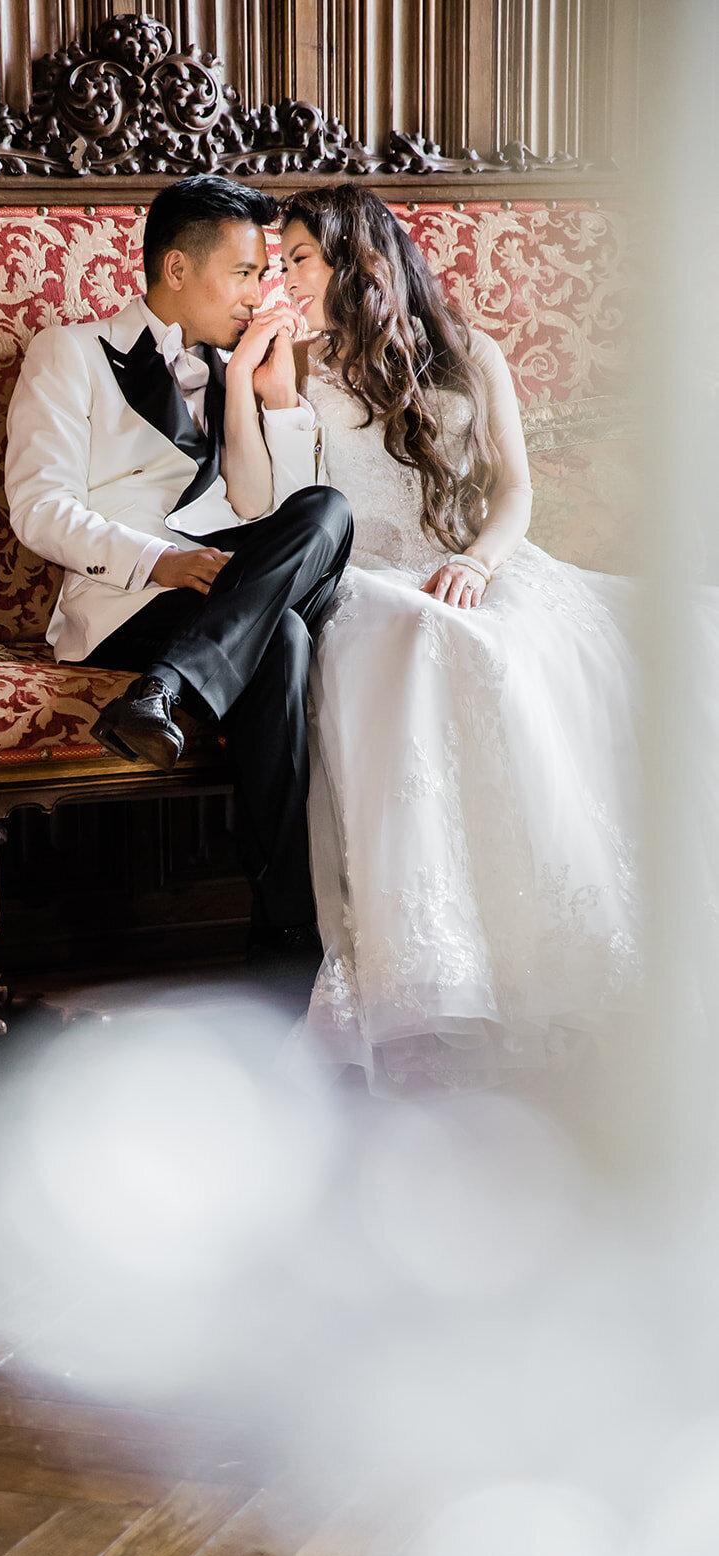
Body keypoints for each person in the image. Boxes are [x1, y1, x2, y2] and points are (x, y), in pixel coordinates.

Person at [231, 180, 680, 1091]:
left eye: (299, 260)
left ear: (359, 261)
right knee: (436, 639)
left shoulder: (470, 353)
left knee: (614, 638)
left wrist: (477, 562)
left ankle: (556, 957)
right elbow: (259, 511)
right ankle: (438, 976)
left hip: (472, 562)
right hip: (363, 580)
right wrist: (252, 382)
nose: (284, 279)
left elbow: (514, 490)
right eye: (276, 264)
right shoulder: (296, 364)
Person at [4, 175, 353, 970]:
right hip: (127, 605)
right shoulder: (70, 352)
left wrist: (272, 397)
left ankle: (164, 691)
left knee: (326, 511)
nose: (259, 292)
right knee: (286, 636)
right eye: (244, 272)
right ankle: (285, 932)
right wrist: (161, 561)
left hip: (223, 599)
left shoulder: (234, 367)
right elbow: (37, 508)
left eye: (264, 274)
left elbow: (273, 510)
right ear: (175, 270)